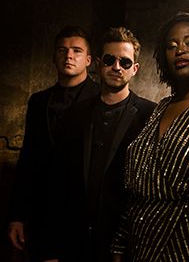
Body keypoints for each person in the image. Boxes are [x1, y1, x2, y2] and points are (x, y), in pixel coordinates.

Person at [111, 12, 189, 261]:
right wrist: (119, 245)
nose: (180, 50)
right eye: (171, 46)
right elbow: (137, 188)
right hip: (140, 249)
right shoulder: (160, 108)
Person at [43, 26, 156, 262]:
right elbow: (58, 180)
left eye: (125, 62)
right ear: (97, 64)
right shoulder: (75, 114)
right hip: (75, 240)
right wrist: (52, 247)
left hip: (124, 244)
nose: (117, 67)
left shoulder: (150, 115)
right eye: (109, 60)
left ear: (135, 69)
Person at [7, 25, 100, 261]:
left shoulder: (101, 98)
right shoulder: (38, 101)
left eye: (77, 50)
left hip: (85, 215)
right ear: (54, 57)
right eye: (62, 50)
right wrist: (17, 215)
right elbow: (27, 159)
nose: (69, 56)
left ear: (88, 60)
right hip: (43, 211)